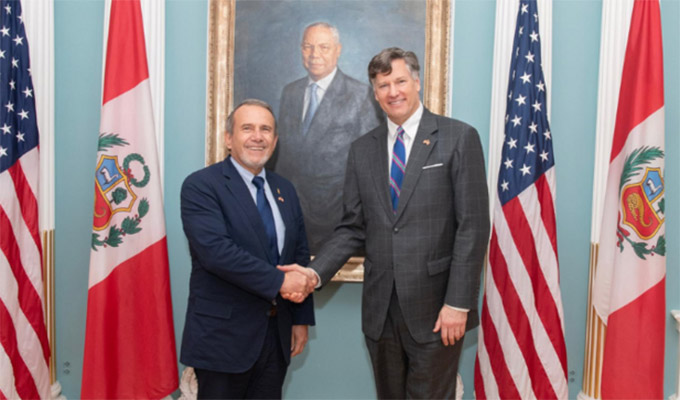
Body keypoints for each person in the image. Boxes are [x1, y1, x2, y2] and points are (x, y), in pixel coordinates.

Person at [281, 48, 490, 398]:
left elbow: (473, 227)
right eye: (383, 85)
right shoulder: (362, 149)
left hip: (437, 310)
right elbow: (353, 227)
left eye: (400, 81)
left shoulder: (458, 137)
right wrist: (313, 274)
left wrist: (458, 303)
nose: (393, 92)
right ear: (374, 93)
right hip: (381, 313)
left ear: (417, 82)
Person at [179, 99, 315, 399]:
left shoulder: (285, 189)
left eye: (265, 129)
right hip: (222, 339)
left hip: (276, 336)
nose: (257, 137)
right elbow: (216, 252)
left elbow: (299, 255)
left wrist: (300, 318)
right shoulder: (201, 186)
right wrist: (281, 282)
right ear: (228, 138)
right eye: (247, 128)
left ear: (275, 141)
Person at [274, 21, 382, 252]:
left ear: (338, 50)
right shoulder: (290, 92)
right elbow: (284, 156)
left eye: (323, 47)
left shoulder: (361, 95)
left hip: (337, 214)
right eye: (308, 46)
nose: (315, 54)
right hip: (292, 211)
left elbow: (371, 164)